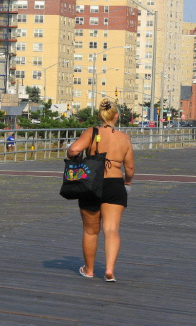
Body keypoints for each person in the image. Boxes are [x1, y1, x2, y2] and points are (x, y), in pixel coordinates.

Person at [66, 98, 135, 282]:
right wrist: (127, 183)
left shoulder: (92, 132)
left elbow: (73, 150)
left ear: (100, 116)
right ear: (117, 116)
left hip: (91, 185)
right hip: (114, 184)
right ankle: (109, 270)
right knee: (111, 229)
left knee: (90, 231)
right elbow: (129, 169)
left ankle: (89, 270)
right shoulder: (124, 139)